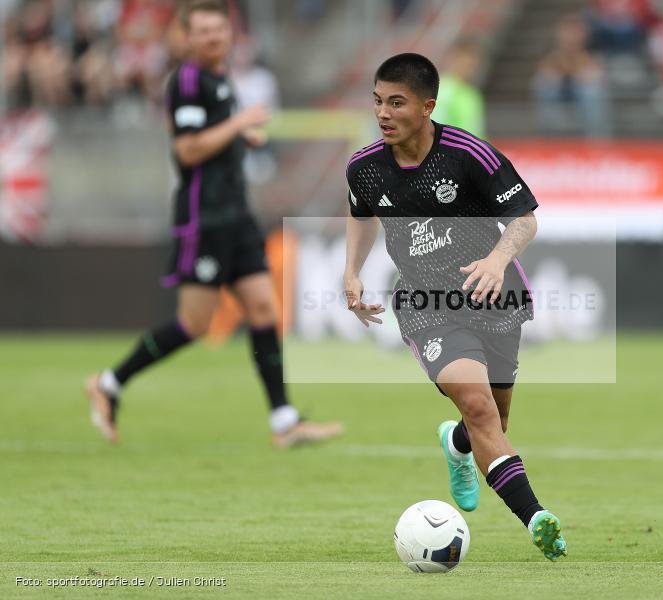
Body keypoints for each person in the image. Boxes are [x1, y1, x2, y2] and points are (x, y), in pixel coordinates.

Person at [84, 0, 343, 448]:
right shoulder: (186, 81)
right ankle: (109, 383)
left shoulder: (221, 77)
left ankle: (284, 420)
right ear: (186, 36)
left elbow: (213, 135)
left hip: (236, 213)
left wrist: (241, 136)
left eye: (219, 30)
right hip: (204, 218)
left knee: (263, 309)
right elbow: (187, 150)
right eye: (203, 31)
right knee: (194, 323)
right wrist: (239, 123)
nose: (213, 38)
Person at [343, 53, 567, 561]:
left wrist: (497, 258)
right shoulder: (364, 167)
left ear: (427, 106)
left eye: (396, 103)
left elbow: (525, 218)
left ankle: (457, 445)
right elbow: (360, 213)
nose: (383, 113)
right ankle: (536, 517)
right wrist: (352, 270)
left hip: (494, 297)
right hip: (427, 304)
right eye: (377, 101)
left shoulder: (469, 155)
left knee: (493, 423)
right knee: (479, 407)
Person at [430, 38, 486, 138]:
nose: (470, 68)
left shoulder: (472, 93)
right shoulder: (442, 90)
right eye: (465, 63)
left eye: (472, 64)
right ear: (452, 59)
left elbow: (476, 132)